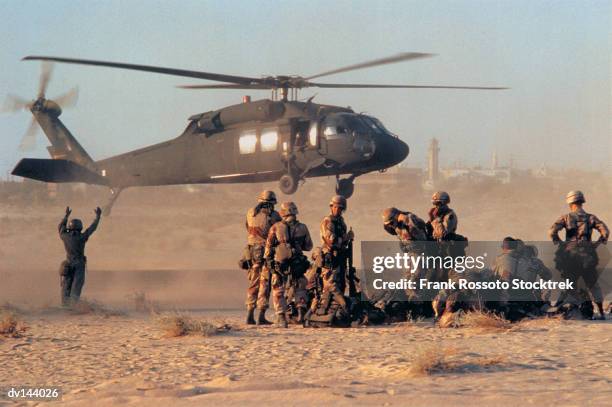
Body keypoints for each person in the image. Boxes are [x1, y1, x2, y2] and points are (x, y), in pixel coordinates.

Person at [549, 190, 609, 319]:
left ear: (570, 202)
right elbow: (605, 232)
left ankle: (561, 310)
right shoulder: (591, 217)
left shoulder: (566, 217)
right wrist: (597, 244)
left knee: (569, 283)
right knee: (593, 284)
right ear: (582, 201)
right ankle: (601, 313)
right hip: (588, 256)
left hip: (570, 256)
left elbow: (552, 231)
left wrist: (560, 243)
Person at [305, 195, 354, 322]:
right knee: (329, 286)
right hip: (329, 258)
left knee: (341, 284)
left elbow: (341, 243)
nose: (338, 210)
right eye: (336, 207)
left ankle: (337, 312)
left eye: (341, 208)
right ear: (331, 207)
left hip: (340, 258)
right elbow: (331, 241)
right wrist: (346, 238)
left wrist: (346, 242)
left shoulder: (341, 221)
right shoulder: (328, 221)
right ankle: (315, 313)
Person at [264, 202, 313, 327]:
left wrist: (269, 261)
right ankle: (301, 313)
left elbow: (269, 246)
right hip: (297, 262)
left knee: (278, 288)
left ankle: (281, 317)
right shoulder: (303, 227)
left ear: (283, 213)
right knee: (300, 286)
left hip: (281, 263)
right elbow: (308, 246)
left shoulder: (275, 227)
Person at [381, 207, 430, 317]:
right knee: (407, 282)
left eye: (391, 222)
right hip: (410, 254)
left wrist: (407, 221)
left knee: (415, 281)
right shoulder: (397, 226)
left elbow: (420, 234)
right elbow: (392, 231)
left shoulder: (408, 219)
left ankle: (418, 311)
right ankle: (411, 310)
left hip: (420, 253)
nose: (391, 225)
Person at [244, 190, 281, 325]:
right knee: (264, 284)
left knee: (253, 284)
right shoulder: (274, 216)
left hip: (252, 252)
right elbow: (278, 232)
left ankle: (249, 314)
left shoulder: (250, 213)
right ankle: (261, 315)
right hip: (266, 253)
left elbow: (248, 228)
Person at [58, 206, 101, 306]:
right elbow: (92, 228)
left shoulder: (65, 236)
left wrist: (66, 216)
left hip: (68, 264)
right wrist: (98, 217)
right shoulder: (82, 237)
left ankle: (64, 305)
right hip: (79, 264)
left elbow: (60, 227)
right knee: (76, 286)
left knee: (66, 285)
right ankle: (73, 305)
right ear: (80, 227)